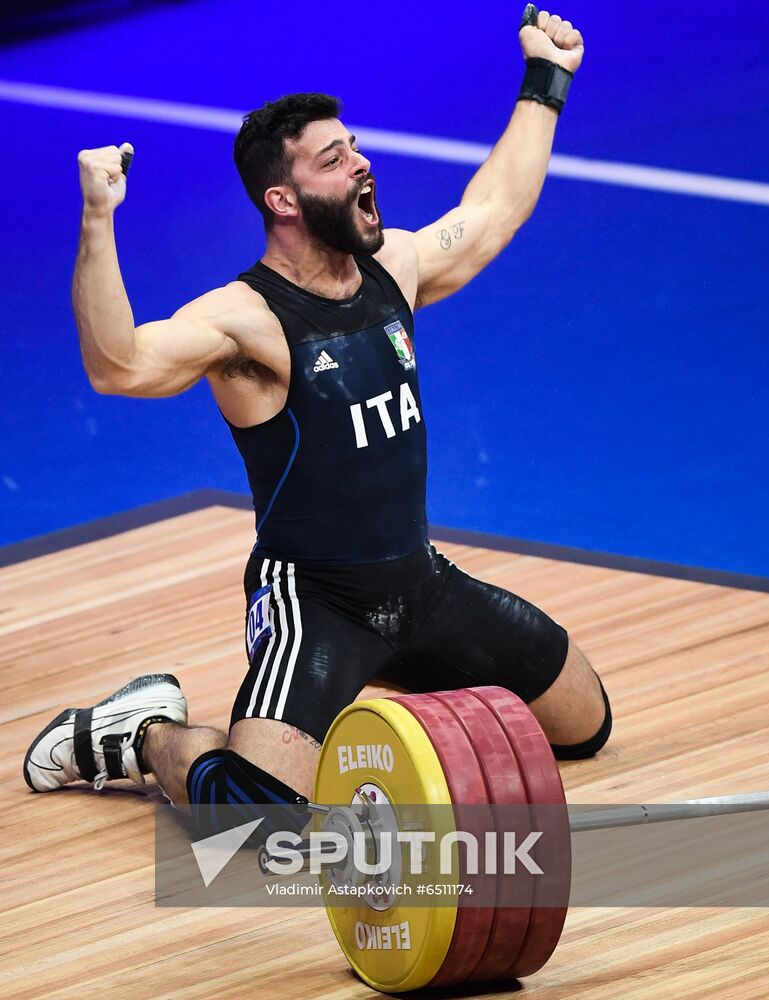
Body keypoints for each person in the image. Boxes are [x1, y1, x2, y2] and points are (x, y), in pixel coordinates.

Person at [24, 7, 611, 820]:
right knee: (254, 815)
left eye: (356, 147)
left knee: (584, 725)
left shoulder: (392, 268)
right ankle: (141, 733)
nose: (363, 164)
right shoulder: (245, 321)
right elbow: (117, 365)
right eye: (337, 160)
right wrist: (98, 221)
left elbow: (492, 214)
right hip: (315, 602)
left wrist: (546, 77)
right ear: (285, 198)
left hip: (418, 583)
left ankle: (360, 696)